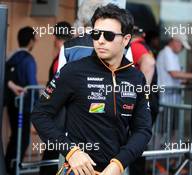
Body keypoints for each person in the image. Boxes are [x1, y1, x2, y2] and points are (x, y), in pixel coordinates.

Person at [31, 4, 152, 175]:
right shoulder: (73, 71)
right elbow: (40, 114)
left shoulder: (136, 78)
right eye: (96, 34)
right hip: (77, 170)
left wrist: (118, 164)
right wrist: (71, 152)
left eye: (109, 35)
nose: (100, 40)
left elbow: (143, 130)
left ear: (126, 39)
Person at [39, 21, 72, 175]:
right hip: (63, 115)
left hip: (58, 115)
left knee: (52, 154)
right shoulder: (70, 54)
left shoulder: (61, 57)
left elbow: (57, 88)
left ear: (54, 37)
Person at [4, 26, 38, 175]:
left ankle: (8, 167)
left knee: (14, 137)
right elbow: (32, 84)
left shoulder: (11, 57)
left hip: (12, 104)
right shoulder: (28, 59)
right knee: (22, 139)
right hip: (24, 106)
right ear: (31, 41)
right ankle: (12, 168)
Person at [129, 26, 158, 175]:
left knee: (135, 142)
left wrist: (139, 93)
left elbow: (149, 63)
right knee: (139, 141)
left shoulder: (135, 46)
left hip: (145, 102)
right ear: (143, 34)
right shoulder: (145, 46)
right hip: (151, 101)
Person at [157, 34, 192, 104]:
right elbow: (174, 74)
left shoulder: (172, 54)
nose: (182, 49)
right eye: (182, 46)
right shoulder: (167, 53)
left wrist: (185, 80)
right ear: (175, 41)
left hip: (170, 95)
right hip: (166, 95)